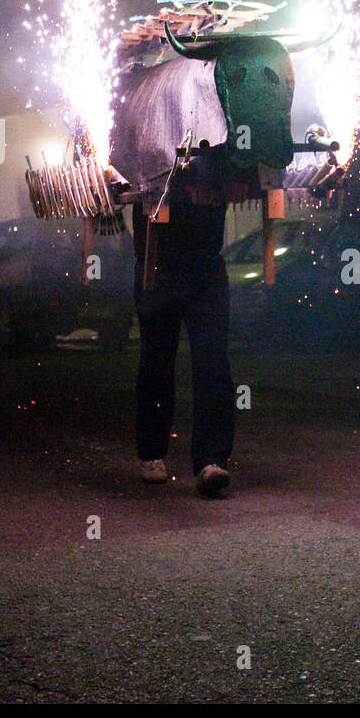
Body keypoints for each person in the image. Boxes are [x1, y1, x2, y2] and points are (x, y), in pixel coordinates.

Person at [132, 172, 235, 498]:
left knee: (213, 362)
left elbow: (240, 165)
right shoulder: (145, 149)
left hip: (205, 265)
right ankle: (152, 452)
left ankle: (212, 459)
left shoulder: (218, 149)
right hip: (156, 263)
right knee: (156, 362)